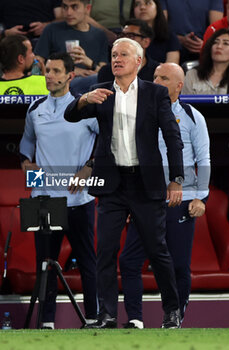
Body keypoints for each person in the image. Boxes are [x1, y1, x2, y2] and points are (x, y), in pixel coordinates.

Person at [65, 37, 184, 329]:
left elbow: (172, 138)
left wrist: (177, 179)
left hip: (146, 183)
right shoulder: (99, 92)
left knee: (157, 250)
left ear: (138, 61)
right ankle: (107, 315)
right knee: (105, 251)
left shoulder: (155, 94)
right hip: (112, 184)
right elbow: (70, 116)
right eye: (114, 55)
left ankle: (172, 311)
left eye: (123, 55)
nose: (116, 59)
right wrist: (82, 100)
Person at [119, 62, 210, 329]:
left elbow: (203, 158)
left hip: (179, 201)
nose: (156, 81)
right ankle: (135, 319)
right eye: (155, 76)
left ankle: (175, 318)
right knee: (129, 260)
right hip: (144, 199)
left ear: (179, 86)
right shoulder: (136, 113)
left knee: (178, 264)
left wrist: (200, 198)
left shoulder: (193, 116)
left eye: (164, 77)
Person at [19, 52, 99, 329]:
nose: (48, 76)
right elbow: (26, 146)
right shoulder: (35, 109)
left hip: (79, 198)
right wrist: (26, 164)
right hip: (43, 199)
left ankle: (93, 318)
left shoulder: (86, 108)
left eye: (55, 71)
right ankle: (47, 322)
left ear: (70, 76)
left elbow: (105, 144)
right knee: (45, 264)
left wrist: (89, 168)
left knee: (88, 261)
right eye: (46, 71)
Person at [34, 0, 109, 93]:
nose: (68, 12)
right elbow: (37, 63)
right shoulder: (51, 29)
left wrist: (89, 63)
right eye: (65, 7)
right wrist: (67, 71)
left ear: (87, 9)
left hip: (92, 85)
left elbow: (105, 74)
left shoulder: (99, 35)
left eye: (74, 7)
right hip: (61, 83)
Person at [95, 18, 159, 84]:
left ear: (146, 42)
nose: (124, 39)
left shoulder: (157, 71)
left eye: (131, 36)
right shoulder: (107, 71)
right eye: (122, 35)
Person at [182, 28, 229, 94]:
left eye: (226, 43)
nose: (219, 46)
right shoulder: (192, 75)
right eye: (215, 42)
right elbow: (185, 103)